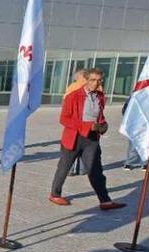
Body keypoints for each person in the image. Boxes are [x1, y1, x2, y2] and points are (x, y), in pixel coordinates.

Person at [49, 67, 125, 210]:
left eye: (99, 80)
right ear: (85, 80)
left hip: (91, 139)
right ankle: (55, 194)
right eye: (93, 80)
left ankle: (105, 200)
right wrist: (87, 126)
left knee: (95, 170)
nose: (96, 83)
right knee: (64, 167)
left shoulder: (100, 97)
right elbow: (64, 119)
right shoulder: (73, 96)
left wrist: (103, 125)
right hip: (73, 137)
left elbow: (100, 116)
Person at [65, 68, 88, 175]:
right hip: (87, 122)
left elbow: (66, 102)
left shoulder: (73, 86)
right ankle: (84, 168)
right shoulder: (92, 86)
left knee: (72, 146)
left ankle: (70, 169)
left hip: (75, 122)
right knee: (86, 146)